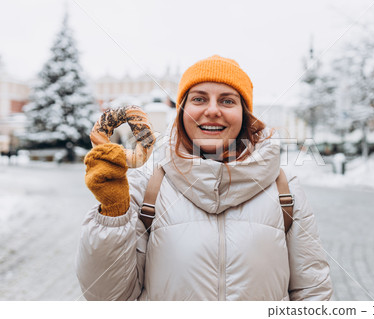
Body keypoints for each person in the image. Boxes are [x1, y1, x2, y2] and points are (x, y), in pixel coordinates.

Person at [76, 55, 332, 301]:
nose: (212, 110)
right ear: (181, 111)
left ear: (244, 114)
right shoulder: (148, 187)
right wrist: (112, 215)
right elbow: (107, 297)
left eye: (227, 101)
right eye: (199, 99)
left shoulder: (285, 190)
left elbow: (313, 293)